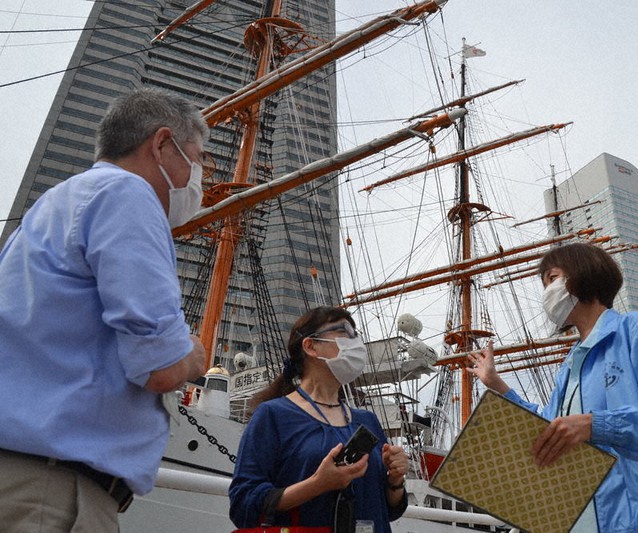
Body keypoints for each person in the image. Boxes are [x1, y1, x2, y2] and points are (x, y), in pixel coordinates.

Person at [0, 88, 209, 531]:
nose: (200, 176)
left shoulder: (51, 205)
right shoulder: (128, 195)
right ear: (160, 143)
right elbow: (161, 367)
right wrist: (192, 353)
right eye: (197, 158)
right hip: (51, 491)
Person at [467, 242, 638, 533]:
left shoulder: (633, 330)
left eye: (552, 278)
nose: (546, 292)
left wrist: (597, 425)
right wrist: (497, 385)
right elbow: (550, 429)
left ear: (581, 273)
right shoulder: (569, 366)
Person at [230, 306, 409, 532]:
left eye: (356, 334)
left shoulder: (367, 420)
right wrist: (317, 485)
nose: (355, 343)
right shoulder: (273, 415)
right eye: (344, 331)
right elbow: (242, 506)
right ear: (311, 346)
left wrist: (395, 480)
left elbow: (388, 511)